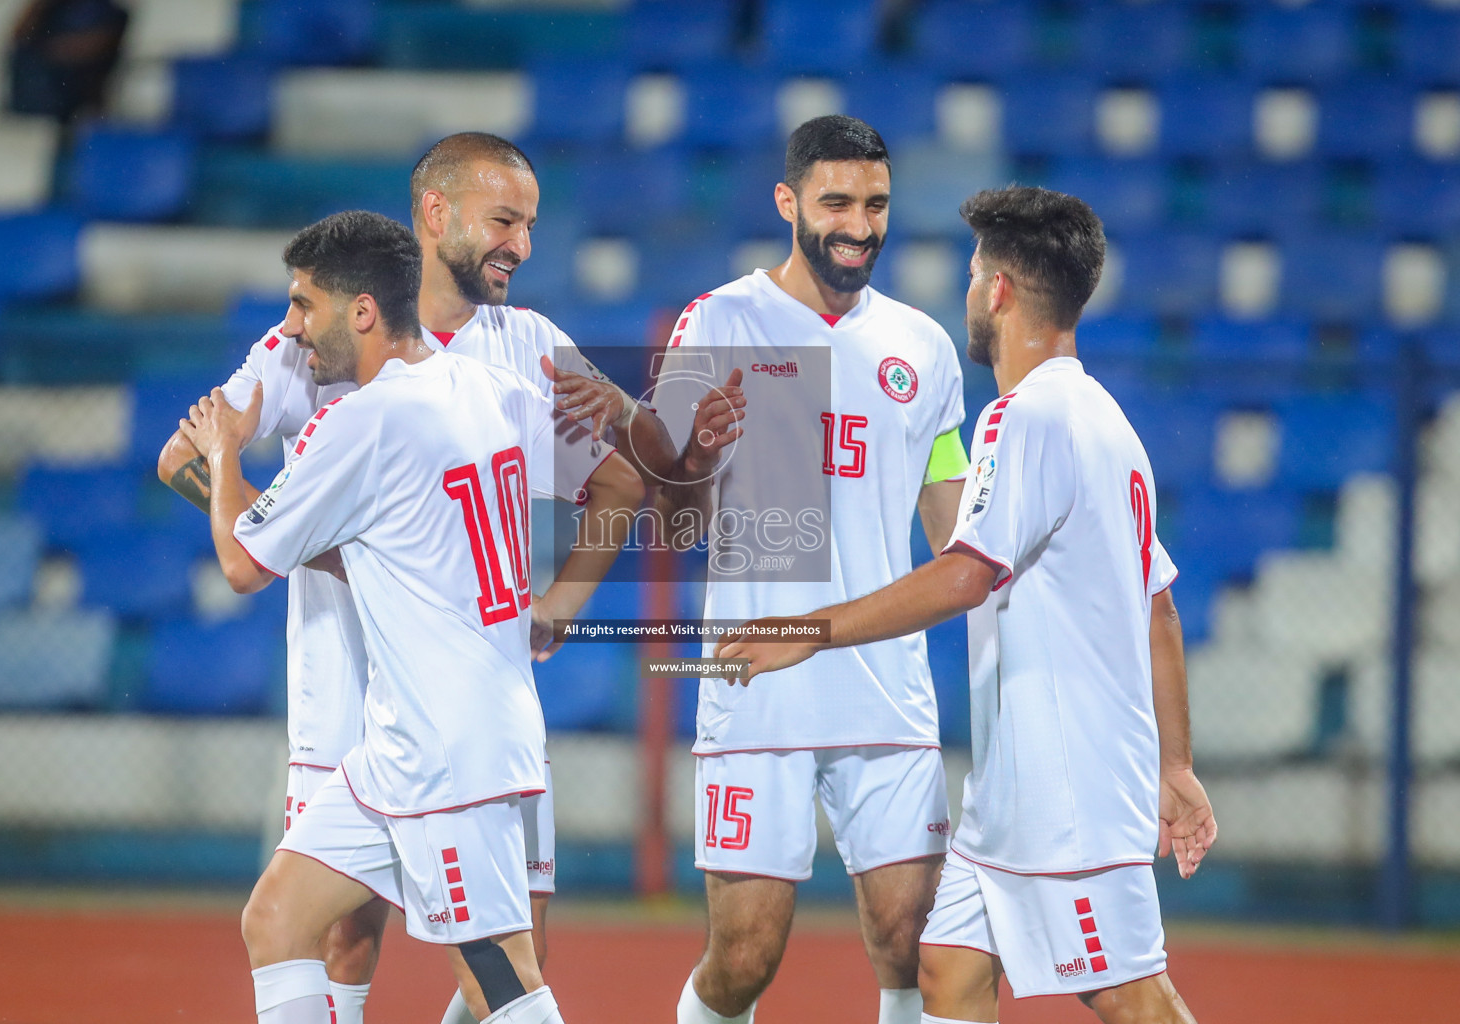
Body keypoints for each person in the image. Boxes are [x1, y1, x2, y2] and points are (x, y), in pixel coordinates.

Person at [158, 131, 680, 1024]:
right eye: (504, 219)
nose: (520, 242)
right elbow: (184, 460)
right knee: (304, 922)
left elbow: (637, 472)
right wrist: (355, 547)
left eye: (529, 223)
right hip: (358, 706)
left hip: (449, 708)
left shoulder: (516, 353)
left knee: (510, 956)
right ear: (435, 216)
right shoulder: (337, 352)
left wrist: (557, 602)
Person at [718, 186, 1217, 1024]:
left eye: (974, 274)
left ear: (1001, 292)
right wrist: (1175, 766)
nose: (967, 293)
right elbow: (1158, 608)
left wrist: (812, 629)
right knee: (947, 969)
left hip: (1071, 790)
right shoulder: (1104, 420)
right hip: (1011, 797)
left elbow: (963, 575)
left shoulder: (1024, 420)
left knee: (1131, 998)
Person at [651, 115, 971, 1024]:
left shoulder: (926, 348)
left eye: (875, 204)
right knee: (746, 957)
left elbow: (953, 533)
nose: (859, 225)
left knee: (912, 943)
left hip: (887, 687)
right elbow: (677, 524)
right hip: (759, 682)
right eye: (836, 202)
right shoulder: (720, 321)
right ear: (789, 202)